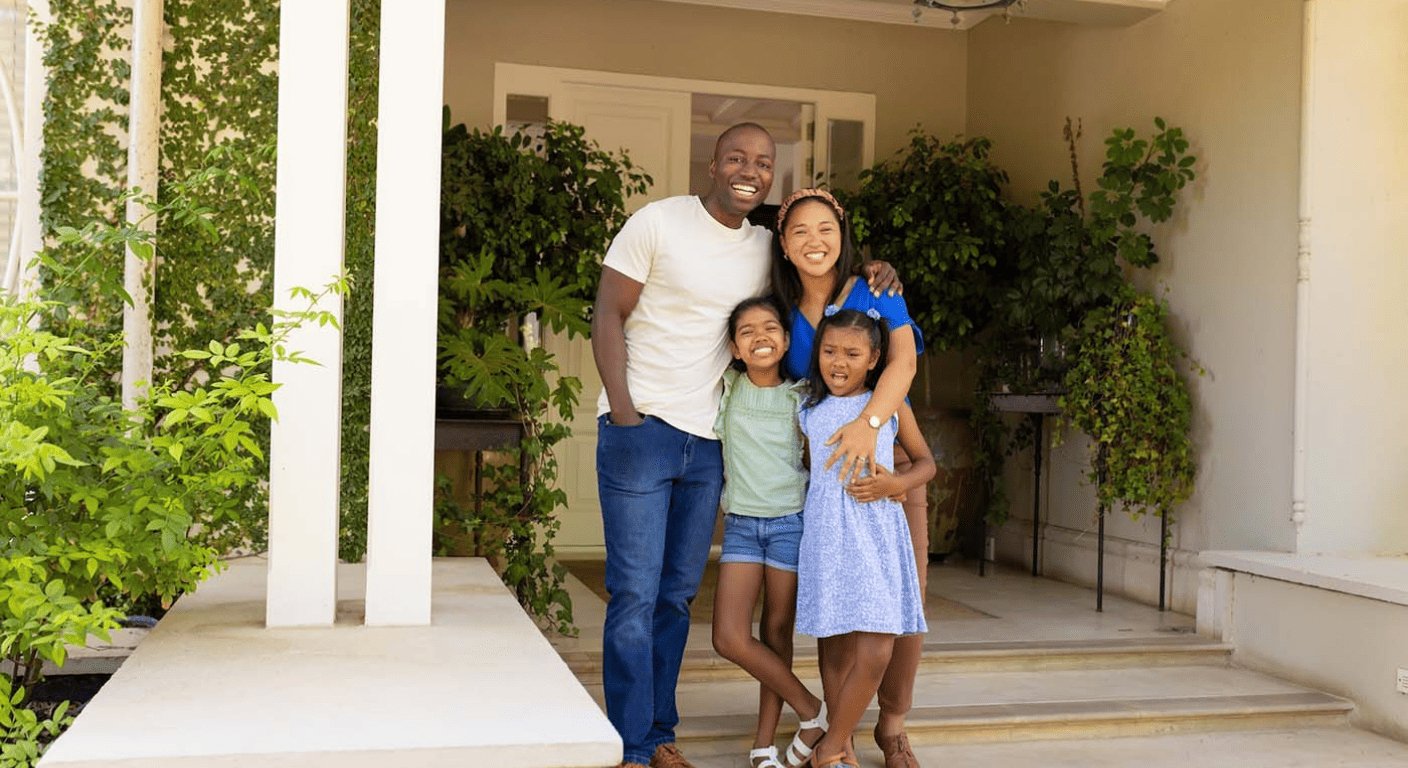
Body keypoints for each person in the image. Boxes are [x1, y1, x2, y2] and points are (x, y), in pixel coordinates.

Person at [591, 124, 899, 768]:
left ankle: (661, 732)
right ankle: (632, 745)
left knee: (675, 596)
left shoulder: (765, 244)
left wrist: (874, 270)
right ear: (712, 163)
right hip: (641, 431)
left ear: (771, 177)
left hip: (707, 446)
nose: (748, 170)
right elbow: (607, 314)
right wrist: (624, 414)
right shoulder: (657, 222)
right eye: (736, 157)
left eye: (763, 162)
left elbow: (817, 265)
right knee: (634, 595)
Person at [771, 188, 930, 768]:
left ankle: (892, 726)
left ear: (843, 234)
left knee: (899, 610)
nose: (815, 242)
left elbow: (904, 363)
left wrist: (869, 423)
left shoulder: (875, 288)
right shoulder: (781, 310)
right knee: (835, 615)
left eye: (826, 229)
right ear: (784, 246)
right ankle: (841, 741)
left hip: (887, 475)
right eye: (800, 232)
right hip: (827, 493)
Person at [794, 308, 936, 768]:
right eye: (829, 351)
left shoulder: (891, 404)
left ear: (875, 358)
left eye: (853, 353)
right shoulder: (806, 408)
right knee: (835, 648)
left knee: (877, 649)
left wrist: (896, 485)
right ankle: (840, 750)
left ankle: (831, 742)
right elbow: (809, 473)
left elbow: (925, 464)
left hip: (877, 537)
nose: (839, 362)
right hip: (828, 539)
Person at [710, 296, 827, 768]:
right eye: (747, 332)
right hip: (740, 525)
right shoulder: (727, 387)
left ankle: (763, 744)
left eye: (770, 327)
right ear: (734, 348)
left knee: (776, 633)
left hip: (788, 525)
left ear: (785, 339)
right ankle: (812, 711)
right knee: (729, 637)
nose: (760, 337)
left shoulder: (802, 397)